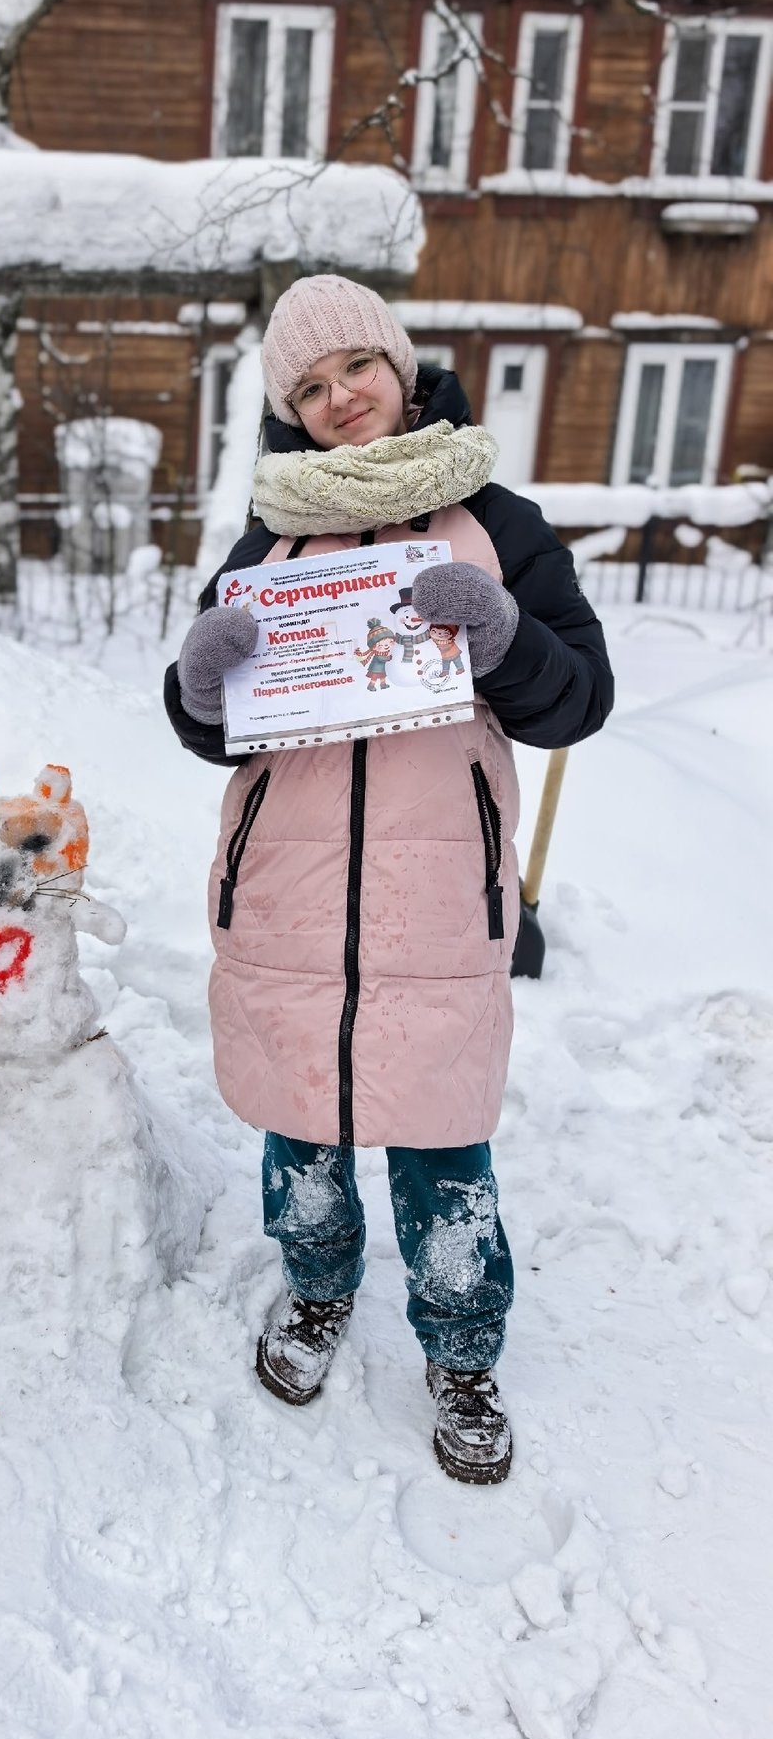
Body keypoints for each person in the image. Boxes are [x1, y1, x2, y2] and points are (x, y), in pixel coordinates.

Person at [165, 274, 612, 1485]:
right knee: (302, 1126)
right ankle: (314, 1294)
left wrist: (505, 635)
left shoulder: (496, 520)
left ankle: (463, 1351)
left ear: (400, 364)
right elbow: (210, 721)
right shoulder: (272, 533)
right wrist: (200, 680)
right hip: (290, 897)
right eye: (307, 387)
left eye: (353, 366)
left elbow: (582, 697)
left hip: (435, 898)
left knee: (439, 1138)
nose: (338, 399)